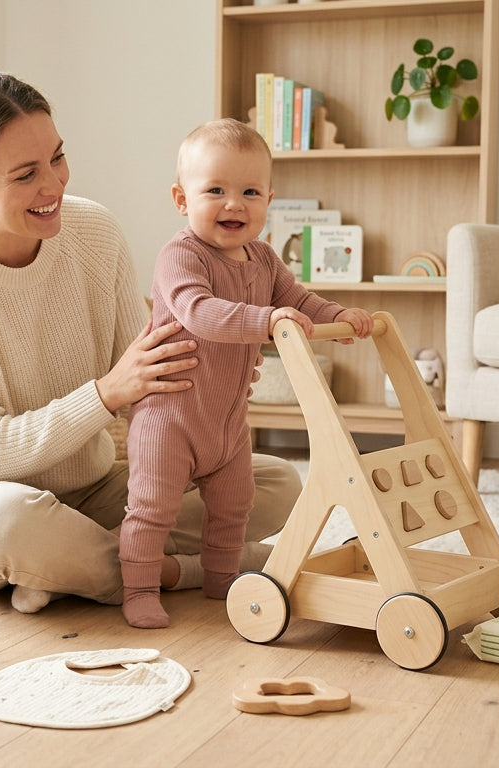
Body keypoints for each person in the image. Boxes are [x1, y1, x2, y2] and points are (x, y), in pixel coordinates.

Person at [0, 71, 304, 616]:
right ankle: (185, 571)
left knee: (271, 481)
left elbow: (148, 375)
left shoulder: (94, 231)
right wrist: (105, 394)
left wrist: (202, 382)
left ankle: (70, 572)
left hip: (89, 488)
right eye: (26, 174)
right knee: (15, 522)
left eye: (57, 158)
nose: (53, 185)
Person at [119, 118, 375, 629]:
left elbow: (296, 299)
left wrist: (334, 316)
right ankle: (140, 588)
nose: (234, 203)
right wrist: (267, 321)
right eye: (215, 190)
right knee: (152, 510)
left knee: (235, 504)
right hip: (170, 417)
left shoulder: (262, 258)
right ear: (181, 198)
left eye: (250, 191)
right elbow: (200, 312)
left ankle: (221, 581)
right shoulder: (181, 255)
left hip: (228, 421)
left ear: (268, 200)